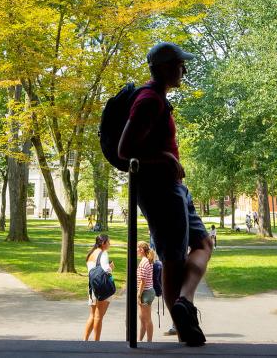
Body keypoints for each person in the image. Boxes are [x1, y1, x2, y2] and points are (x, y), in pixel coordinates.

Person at [118, 42, 211, 347]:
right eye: (178, 63)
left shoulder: (158, 99)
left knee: (203, 243)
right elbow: (125, 149)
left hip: (175, 189)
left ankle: (184, 302)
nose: (184, 68)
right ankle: (184, 327)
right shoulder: (149, 101)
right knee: (173, 259)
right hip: (159, 190)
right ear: (162, 68)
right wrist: (167, 160)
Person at [82, 234, 114, 341]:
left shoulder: (91, 254)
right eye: (108, 242)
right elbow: (105, 270)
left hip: (92, 287)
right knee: (99, 316)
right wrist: (111, 267)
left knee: (92, 315)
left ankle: (85, 340)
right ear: (103, 243)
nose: (109, 244)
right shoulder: (103, 253)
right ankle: (97, 342)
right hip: (102, 287)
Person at [136, 241, 157, 342]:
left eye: (137, 248)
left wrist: (139, 295)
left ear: (141, 249)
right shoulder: (147, 261)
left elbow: (142, 282)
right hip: (147, 292)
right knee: (143, 319)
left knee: (147, 320)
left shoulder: (144, 262)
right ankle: (139, 340)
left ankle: (149, 342)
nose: (136, 250)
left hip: (145, 293)